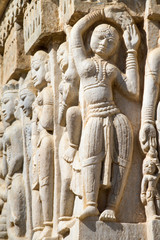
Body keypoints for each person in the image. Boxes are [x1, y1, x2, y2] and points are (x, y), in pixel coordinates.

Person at [71, 9, 140, 221]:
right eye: (100, 37)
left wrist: (131, 51)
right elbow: (75, 33)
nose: (104, 43)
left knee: (121, 160)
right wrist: (101, 13)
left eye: (111, 42)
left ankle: (112, 206)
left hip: (115, 117)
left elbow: (134, 90)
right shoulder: (84, 62)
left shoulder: (111, 70)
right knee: (90, 157)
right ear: (90, 38)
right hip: (93, 118)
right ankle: (90, 203)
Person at [31, 50, 54, 240]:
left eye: (36, 69)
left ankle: (48, 223)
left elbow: (48, 122)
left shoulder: (47, 92)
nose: (32, 75)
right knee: (38, 188)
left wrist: (37, 109)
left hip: (47, 142)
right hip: (39, 145)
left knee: (45, 184)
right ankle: (39, 227)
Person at [2, 80, 26, 238]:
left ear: (16, 103)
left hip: (17, 179)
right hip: (10, 181)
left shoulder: (17, 128)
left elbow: (19, 156)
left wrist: (9, 175)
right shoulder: (9, 129)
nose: (2, 109)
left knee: (17, 219)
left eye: (5, 103)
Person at [141, 147, 160, 221]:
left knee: (158, 202)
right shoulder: (146, 177)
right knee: (150, 202)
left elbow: (159, 172)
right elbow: (143, 186)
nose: (150, 167)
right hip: (149, 191)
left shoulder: (155, 177)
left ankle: (158, 213)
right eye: (147, 166)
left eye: (152, 166)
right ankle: (152, 215)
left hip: (155, 191)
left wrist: (157, 163)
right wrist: (143, 194)